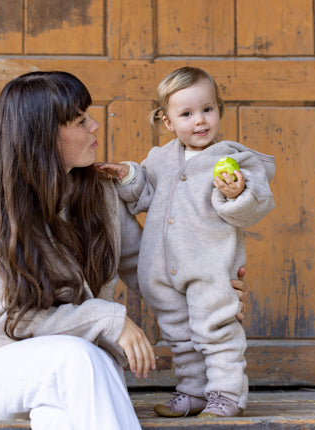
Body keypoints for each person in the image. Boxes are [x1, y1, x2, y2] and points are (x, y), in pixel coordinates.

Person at [0, 71, 157, 430]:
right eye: (79, 121)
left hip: (80, 374)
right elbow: (6, 325)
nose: (94, 126)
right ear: (41, 138)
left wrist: (209, 291)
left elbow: (149, 270)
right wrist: (107, 319)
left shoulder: (101, 195)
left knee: (63, 409)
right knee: (78, 358)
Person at [97, 66, 275, 418]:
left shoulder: (234, 159)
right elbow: (142, 194)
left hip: (210, 267)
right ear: (168, 122)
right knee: (179, 334)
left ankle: (226, 393)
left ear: (219, 110)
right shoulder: (161, 159)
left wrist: (237, 192)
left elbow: (255, 207)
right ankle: (193, 392)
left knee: (215, 330)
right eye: (187, 114)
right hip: (162, 270)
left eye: (208, 109)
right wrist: (128, 175)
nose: (200, 121)